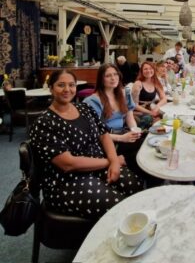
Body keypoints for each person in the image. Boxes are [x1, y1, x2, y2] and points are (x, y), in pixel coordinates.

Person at [29, 69, 143, 219]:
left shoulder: (84, 108)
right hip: (67, 181)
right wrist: (110, 161)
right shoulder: (43, 123)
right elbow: (68, 164)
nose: (67, 89)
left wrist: (114, 161)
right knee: (118, 208)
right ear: (51, 88)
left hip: (96, 168)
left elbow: (103, 135)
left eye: (71, 85)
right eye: (61, 85)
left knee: (135, 186)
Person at [84, 64, 143, 174]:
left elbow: (129, 116)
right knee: (139, 151)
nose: (113, 78)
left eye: (115, 74)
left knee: (145, 143)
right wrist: (121, 138)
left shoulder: (124, 93)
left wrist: (134, 130)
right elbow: (94, 132)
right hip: (107, 141)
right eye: (108, 76)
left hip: (123, 133)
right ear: (101, 79)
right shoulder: (92, 101)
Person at [132, 61, 167, 127]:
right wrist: (150, 112)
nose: (148, 71)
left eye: (151, 68)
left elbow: (164, 99)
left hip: (151, 109)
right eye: (145, 69)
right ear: (141, 71)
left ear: (154, 70)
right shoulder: (138, 84)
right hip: (138, 112)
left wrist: (157, 107)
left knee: (166, 116)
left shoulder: (155, 82)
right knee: (156, 121)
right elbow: (134, 105)